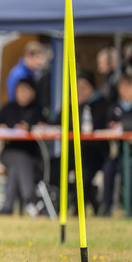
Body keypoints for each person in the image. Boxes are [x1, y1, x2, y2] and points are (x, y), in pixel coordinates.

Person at [46, 70, 111, 214]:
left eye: (84, 86)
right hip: (72, 151)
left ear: (92, 88)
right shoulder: (70, 105)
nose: (80, 90)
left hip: (94, 152)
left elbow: (104, 127)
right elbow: (56, 124)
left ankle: (78, 206)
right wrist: (74, 106)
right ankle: (81, 197)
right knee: (53, 169)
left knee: (84, 174)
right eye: (77, 86)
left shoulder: (102, 104)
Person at [0, 76, 45, 216]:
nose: (22, 94)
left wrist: (30, 128)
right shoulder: (8, 108)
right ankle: (29, 200)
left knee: (17, 167)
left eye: (26, 91)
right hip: (9, 152)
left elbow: (46, 126)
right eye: (20, 91)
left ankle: (8, 207)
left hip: (32, 154)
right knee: (20, 159)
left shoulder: (38, 110)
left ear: (33, 93)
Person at [100, 67, 132, 216]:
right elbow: (107, 125)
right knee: (109, 167)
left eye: (130, 85)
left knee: (125, 167)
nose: (126, 89)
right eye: (122, 85)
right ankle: (106, 206)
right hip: (120, 152)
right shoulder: (115, 107)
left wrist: (127, 127)